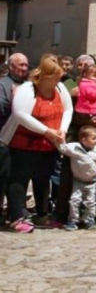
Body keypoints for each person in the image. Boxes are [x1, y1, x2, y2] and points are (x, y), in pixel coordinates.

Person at [0, 54, 73, 233]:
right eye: (55, 77)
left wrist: (62, 129)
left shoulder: (61, 88)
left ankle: (42, 214)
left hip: (48, 144)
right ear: (45, 77)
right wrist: (47, 131)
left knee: (43, 179)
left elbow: (68, 109)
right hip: (22, 143)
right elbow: (20, 115)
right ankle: (17, 216)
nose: (58, 81)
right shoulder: (27, 89)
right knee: (19, 180)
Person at [55, 125, 96, 231]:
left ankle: (89, 220)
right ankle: (73, 220)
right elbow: (63, 148)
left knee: (91, 202)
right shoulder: (74, 148)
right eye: (93, 138)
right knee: (74, 200)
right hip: (78, 181)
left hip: (92, 181)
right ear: (83, 139)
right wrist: (59, 138)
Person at [0, 52, 28, 221]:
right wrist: (15, 99)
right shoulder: (3, 84)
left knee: (18, 179)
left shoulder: (29, 85)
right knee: (3, 178)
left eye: (26, 65)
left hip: (24, 141)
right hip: (5, 139)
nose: (24, 68)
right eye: (20, 65)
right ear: (11, 66)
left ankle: (16, 211)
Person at [72, 64, 96, 148]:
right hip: (86, 112)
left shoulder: (92, 84)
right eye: (94, 75)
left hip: (91, 111)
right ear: (85, 75)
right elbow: (93, 95)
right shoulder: (85, 84)